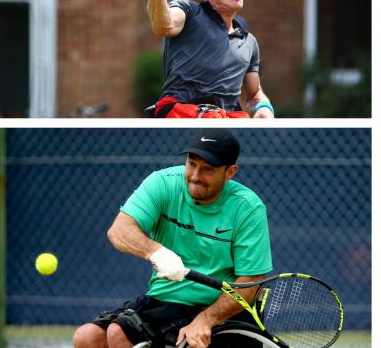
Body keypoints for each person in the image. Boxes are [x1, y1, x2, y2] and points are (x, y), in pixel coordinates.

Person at [72, 129, 273, 348]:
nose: (196, 176)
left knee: (119, 334)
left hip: (222, 309)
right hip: (164, 301)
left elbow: (249, 285)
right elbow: (119, 230)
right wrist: (156, 252)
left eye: (208, 169)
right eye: (192, 164)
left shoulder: (248, 207)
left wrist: (205, 320)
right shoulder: (163, 183)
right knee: (87, 338)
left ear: (229, 172)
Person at [141, 0, 275, 119]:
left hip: (226, 124)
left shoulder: (249, 42)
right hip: (182, 118)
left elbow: (254, 94)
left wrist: (263, 108)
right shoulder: (189, 12)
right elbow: (164, 25)